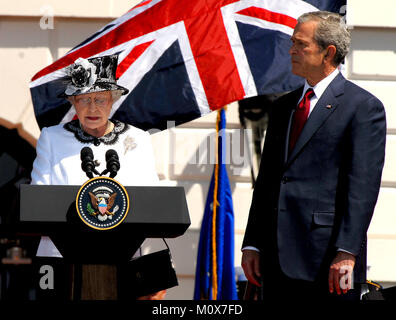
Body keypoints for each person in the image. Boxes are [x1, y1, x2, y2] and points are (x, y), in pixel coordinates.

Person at [241, 11, 386, 301]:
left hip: (327, 262)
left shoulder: (363, 107)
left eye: (300, 44)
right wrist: (253, 244)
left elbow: (362, 188)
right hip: (274, 260)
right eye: (292, 42)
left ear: (327, 52)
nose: (291, 50)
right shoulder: (284, 106)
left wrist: (346, 252)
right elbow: (269, 179)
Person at [30, 54, 159, 299]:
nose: (92, 108)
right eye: (83, 100)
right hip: (59, 262)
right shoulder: (51, 137)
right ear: (73, 103)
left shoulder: (139, 139)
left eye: (100, 99)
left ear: (112, 101)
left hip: (124, 260)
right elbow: (38, 201)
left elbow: (151, 204)